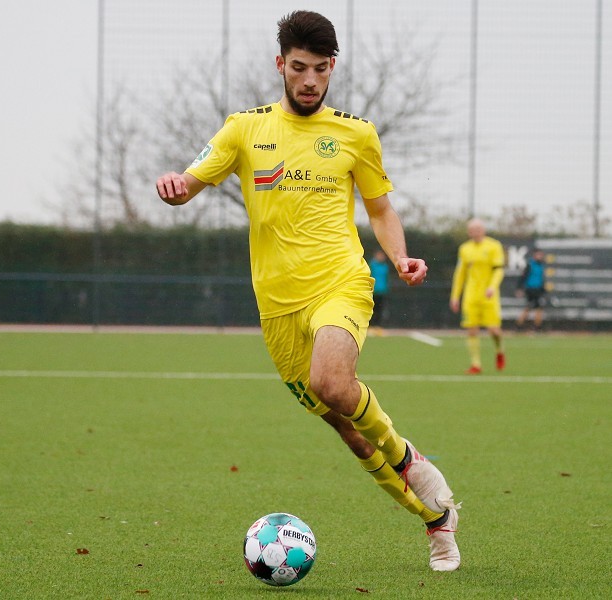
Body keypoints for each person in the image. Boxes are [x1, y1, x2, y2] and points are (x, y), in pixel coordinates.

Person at [155, 11, 460, 572]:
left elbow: (380, 209)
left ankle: (410, 460)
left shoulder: (356, 133)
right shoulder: (243, 129)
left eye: (321, 69)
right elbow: (189, 184)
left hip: (341, 282)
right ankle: (435, 521)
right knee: (348, 430)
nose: (310, 79)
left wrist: (399, 257)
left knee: (332, 382)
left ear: (332, 68)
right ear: (281, 64)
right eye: (299, 67)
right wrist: (174, 188)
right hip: (277, 307)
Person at [449, 218, 506, 374]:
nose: (475, 232)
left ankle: (499, 350)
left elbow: (499, 270)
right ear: (469, 232)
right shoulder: (465, 249)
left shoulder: (494, 246)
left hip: (489, 296)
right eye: (472, 230)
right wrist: (455, 296)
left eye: (478, 229)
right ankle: (476, 364)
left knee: (494, 331)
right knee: (471, 330)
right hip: (471, 295)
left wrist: (492, 287)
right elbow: (460, 274)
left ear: (484, 230)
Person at [516, 249, 548, 331]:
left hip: (538, 290)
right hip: (531, 289)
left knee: (538, 308)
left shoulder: (541, 265)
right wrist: (519, 288)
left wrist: (543, 289)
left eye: (541, 255)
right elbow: (523, 277)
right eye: (538, 255)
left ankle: (537, 327)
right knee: (529, 308)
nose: (540, 257)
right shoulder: (530, 265)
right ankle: (519, 325)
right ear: (534, 255)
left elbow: (541, 279)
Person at [368, 249, 391, 329]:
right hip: (373, 291)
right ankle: (370, 326)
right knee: (371, 309)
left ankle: (377, 326)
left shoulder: (385, 266)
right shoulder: (372, 265)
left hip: (382, 291)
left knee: (380, 309)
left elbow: (386, 279)